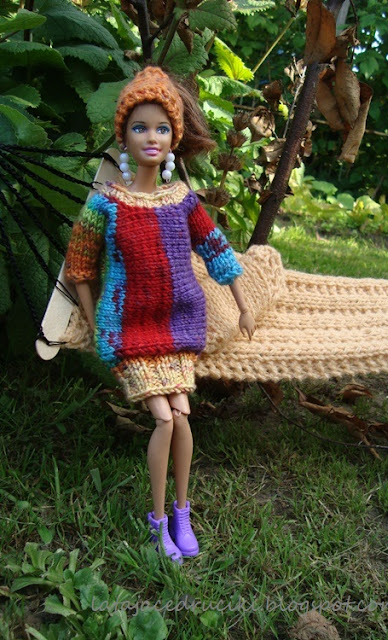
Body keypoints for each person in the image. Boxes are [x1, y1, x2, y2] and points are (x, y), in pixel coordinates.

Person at [64, 66, 255, 564]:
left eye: (162, 128)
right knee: (165, 421)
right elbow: (80, 269)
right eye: (140, 127)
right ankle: (156, 522)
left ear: (174, 140)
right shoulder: (106, 205)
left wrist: (243, 304)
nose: (152, 137)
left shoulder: (182, 201)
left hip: (177, 327)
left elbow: (216, 250)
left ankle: (181, 512)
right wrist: (96, 325)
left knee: (184, 417)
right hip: (129, 330)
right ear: (124, 137)